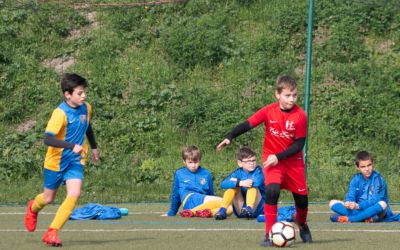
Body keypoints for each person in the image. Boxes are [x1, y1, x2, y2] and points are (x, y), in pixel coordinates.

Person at [216, 75, 312, 247]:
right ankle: (269, 235)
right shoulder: (269, 111)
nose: (292, 99)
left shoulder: (300, 116)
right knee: (272, 191)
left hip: (293, 162)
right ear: (278, 94)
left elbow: (300, 144)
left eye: (295, 95)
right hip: (271, 161)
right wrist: (230, 136)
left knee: (302, 201)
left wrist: (279, 157)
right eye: (287, 95)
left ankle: (302, 223)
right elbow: (248, 124)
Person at [24, 73, 100, 247]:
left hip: (75, 160)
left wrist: (94, 147)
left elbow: (87, 127)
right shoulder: (60, 113)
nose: (84, 96)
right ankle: (32, 207)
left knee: (74, 193)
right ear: (68, 94)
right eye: (80, 93)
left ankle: (52, 232)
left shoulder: (86, 108)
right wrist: (71, 145)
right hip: (55, 162)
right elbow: (48, 139)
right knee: (48, 198)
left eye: (84, 92)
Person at [163, 145, 228, 218]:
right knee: (224, 202)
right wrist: (172, 212)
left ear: (200, 160)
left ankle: (197, 212)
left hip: (203, 202)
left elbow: (210, 194)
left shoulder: (206, 174)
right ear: (184, 161)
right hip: (189, 199)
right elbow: (176, 195)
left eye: (196, 162)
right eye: (190, 162)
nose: (193, 165)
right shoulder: (179, 173)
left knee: (229, 209)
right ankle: (192, 211)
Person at [329, 151, 394, 223]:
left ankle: (351, 219)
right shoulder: (355, 179)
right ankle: (365, 218)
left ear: (373, 163)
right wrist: (349, 203)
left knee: (382, 204)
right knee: (332, 202)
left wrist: (358, 206)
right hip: (359, 209)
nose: (367, 169)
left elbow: (375, 201)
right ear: (357, 167)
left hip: (374, 211)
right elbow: (351, 195)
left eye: (369, 165)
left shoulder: (379, 180)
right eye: (363, 166)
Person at [214, 147, 265, 220]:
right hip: (240, 209)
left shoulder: (258, 171)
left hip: (256, 209)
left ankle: (249, 207)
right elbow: (223, 184)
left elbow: (257, 182)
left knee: (252, 186)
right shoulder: (237, 172)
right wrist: (239, 183)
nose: (252, 163)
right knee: (233, 187)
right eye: (248, 161)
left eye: (253, 160)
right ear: (240, 163)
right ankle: (222, 210)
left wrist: (243, 183)